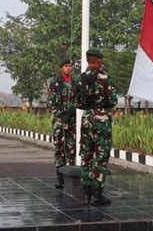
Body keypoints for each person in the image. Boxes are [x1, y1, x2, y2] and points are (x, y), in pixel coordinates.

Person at [75, 48, 117, 205]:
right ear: (98, 60)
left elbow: (75, 101)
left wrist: (88, 105)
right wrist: (101, 105)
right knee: (101, 156)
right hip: (102, 120)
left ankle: (86, 192)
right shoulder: (104, 78)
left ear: (87, 60)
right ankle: (97, 194)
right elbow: (112, 100)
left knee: (86, 155)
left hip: (86, 118)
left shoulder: (80, 78)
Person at [47, 57, 77, 189]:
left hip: (73, 121)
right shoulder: (55, 83)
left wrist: (73, 111)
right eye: (66, 66)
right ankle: (59, 176)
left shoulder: (75, 83)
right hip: (60, 121)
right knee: (59, 149)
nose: (68, 68)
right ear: (61, 68)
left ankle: (71, 175)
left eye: (70, 66)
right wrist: (61, 114)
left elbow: (79, 99)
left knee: (72, 148)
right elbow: (51, 103)